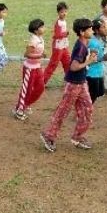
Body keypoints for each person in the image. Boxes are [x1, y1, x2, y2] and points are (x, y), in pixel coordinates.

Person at [39, 18, 98, 152]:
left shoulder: (84, 43)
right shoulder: (81, 47)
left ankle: (78, 136)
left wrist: (91, 53)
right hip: (73, 84)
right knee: (63, 111)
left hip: (82, 83)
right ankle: (49, 136)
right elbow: (73, 67)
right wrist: (89, 61)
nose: (92, 31)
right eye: (89, 29)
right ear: (82, 32)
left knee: (87, 108)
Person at [12, 19, 46, 121]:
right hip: (29, 69)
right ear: (36, 30)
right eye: (41, 27)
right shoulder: (33, 41)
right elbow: (26, 54)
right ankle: (19, 111)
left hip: (37, 67)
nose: (44, 28)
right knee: (26, 90)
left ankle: (25, 104)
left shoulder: (40, 38)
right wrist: (40, 56)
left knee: (40, 87)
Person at [43, 2, 70, 85]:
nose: (64, 13)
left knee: (67, 62)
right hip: (58, 47)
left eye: (65, 11)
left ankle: (69, 80)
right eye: (62, 12)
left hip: (64, 46)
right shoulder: (58, 23)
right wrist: (65, 34)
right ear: (58, 13)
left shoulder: (64, 21)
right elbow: (57, 35)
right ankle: (42, 81)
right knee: (53, 64)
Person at [86, 19, 107, 104]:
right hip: (92, 74)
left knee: (99, 93)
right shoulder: (93, 43)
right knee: (92, 96)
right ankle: (85, 110)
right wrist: (103, 58)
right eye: (103, 27)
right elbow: (89, 60)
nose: (106, 29)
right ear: (96, 30)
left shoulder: (100, 39)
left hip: (98, 72)